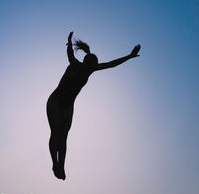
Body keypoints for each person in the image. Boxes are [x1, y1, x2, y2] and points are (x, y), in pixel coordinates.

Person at [47, 32, 141, 180]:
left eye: (93, 67)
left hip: (68, 105)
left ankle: (61, 166)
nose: (91, 69)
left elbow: (111, 64)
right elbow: (70, 54)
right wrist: (69, 42)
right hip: (55, 100)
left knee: (63, 136)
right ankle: (54, 163)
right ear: (86, 63)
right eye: (91, 66)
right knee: (56, 131)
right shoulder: (75, 64)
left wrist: (129, 56)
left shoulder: (90, 68)